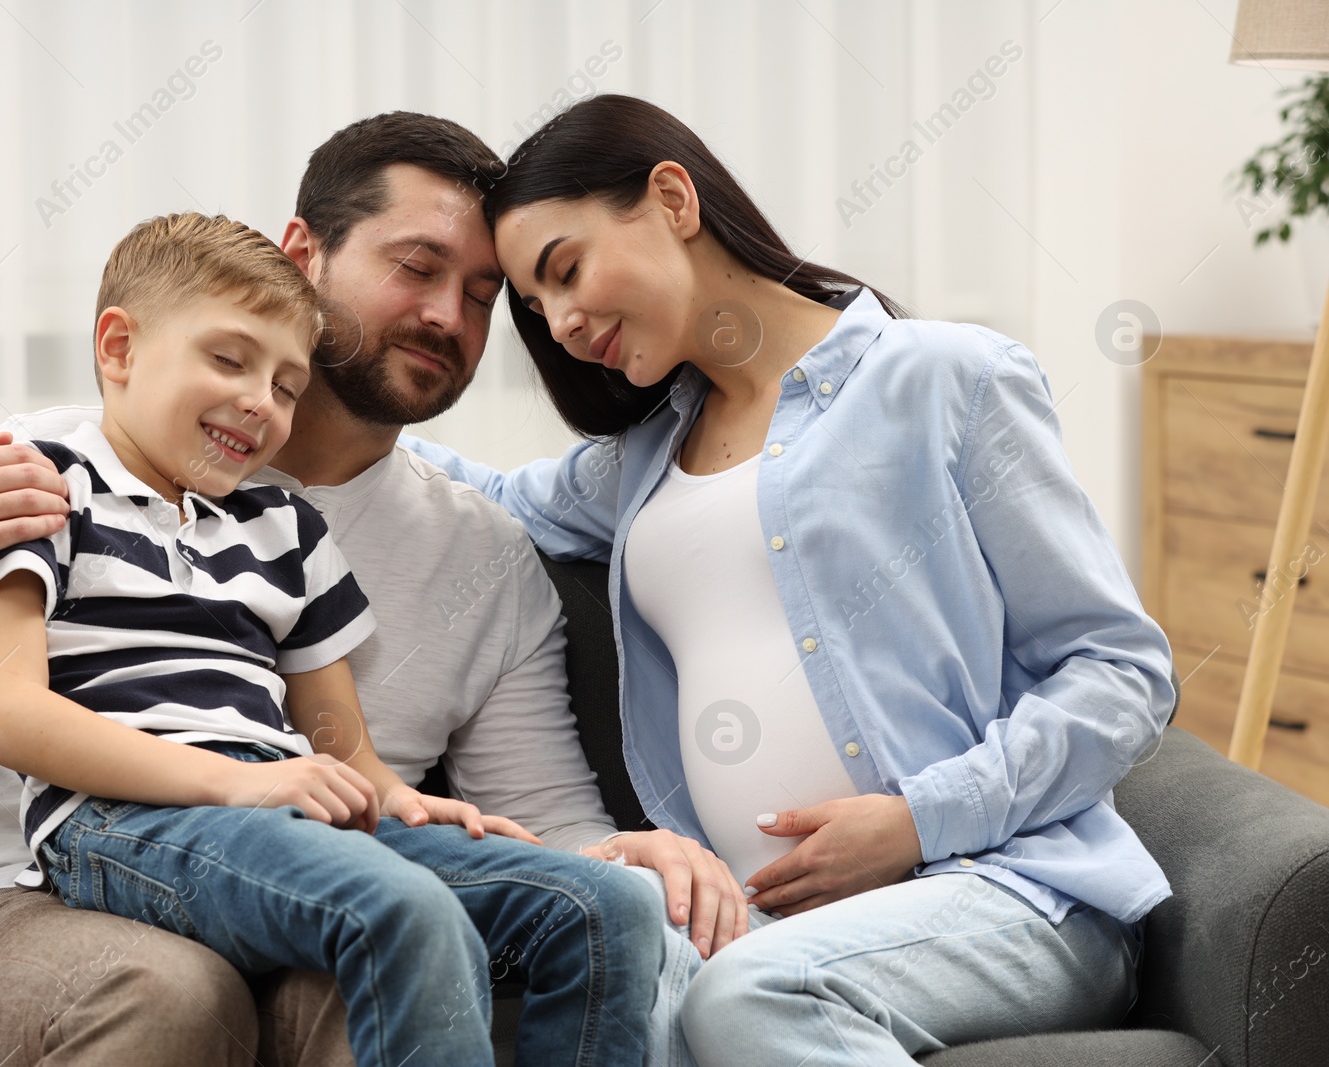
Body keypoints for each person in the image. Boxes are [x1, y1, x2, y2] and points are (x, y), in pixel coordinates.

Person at [0, 112, 738, 1067]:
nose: (449, 319)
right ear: (304, 256)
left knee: (388, 974)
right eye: (417, 267)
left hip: (317, 880)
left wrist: (628, 860)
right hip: (26, 894)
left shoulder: (476, 555)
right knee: (181, 990)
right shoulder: (38, 470)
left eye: (482, 294)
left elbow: (517, 813)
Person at [399, 93, 1177, 1067]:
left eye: (564, 270)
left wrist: (916, 821)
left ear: (671, 199)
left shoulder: (944, 378)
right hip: (758, 919)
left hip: (1003, 890)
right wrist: (298, 390)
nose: (556, 322)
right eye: (532, 304)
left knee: (754, 991)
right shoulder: (642, 459)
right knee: (631, 986)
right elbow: (476, 493)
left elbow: (1119, 671)